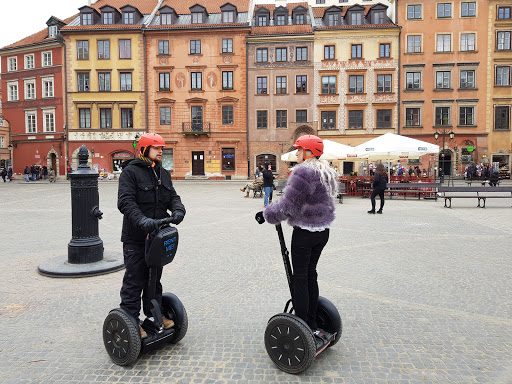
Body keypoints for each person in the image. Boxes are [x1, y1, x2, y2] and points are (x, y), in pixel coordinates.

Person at [257, 134, 338, 333]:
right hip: (322, 232)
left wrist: (267, 214)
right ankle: (312, 319)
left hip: (305, 234)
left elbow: (289, 205)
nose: (297, 153)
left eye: (299, 150)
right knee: (311, 274)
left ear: (309, 152)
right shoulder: (325, 171)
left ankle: (304, 325)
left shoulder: (304, 172)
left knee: (299, 278)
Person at [117, 132, 186, 339]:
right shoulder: (130, 173)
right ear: (145, 150)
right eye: (157, 148)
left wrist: (178, 209)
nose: (161, 151)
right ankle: (131, 319)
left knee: (154, 279)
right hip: (136, 238)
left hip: (157, 237)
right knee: (135, 279)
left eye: (162, 148)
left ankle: (154, 316)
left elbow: (173, 196)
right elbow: (125, 202)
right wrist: (142, 220)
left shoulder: (163, 173)